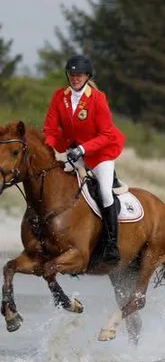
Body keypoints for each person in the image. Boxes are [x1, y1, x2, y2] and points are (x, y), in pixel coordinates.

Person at [42, 54, 126, 267]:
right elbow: (50, 129)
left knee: (105, 192)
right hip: (75, 154)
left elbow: (107, 134)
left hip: (100, 155)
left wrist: (82, 149)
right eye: (72, 74)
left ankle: (111, 244)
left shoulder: (98, 98)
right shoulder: (59, 96)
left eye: (79, 75)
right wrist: (46, 147)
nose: (75, 78)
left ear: (87, 76)